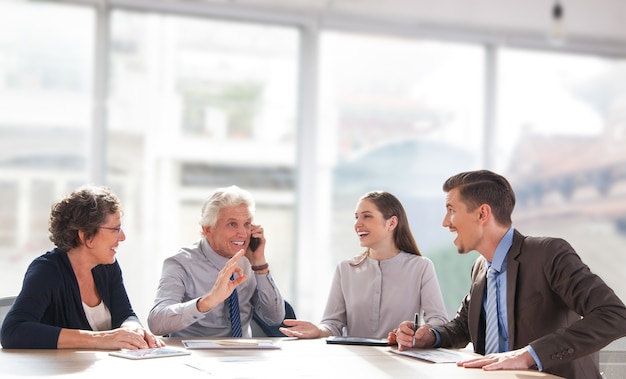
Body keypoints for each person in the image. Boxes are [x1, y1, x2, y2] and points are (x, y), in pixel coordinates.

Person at [390, 170, 626, 379]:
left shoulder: (547, 254)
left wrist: (530, 354)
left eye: (451, 210)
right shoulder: (481, 267)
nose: (445, 222)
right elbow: (464, 326)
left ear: (482, 214)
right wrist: (429, 336)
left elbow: (614, 315)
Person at [0, 185, 164, 349]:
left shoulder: (107, 267)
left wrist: (133, 330)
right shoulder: (47, 271)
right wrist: (101, 339)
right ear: (86, 236)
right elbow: (12, 331)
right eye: (116, 229)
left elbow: (125, 314)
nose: (122, 237)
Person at [280, 190, 449, 339]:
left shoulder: (420, 267)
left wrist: (417, 332)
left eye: (367, 216)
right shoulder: (345, 268)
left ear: (391, 223)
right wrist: (319, 330)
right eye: (356, 217)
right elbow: (333, 324)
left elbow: (439, 321)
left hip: (401, 359)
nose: (357, 224)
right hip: (356, 361)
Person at [147, 185, 285, 338]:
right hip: (194, 354)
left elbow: (275, 319)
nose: (243, 233)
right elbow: (156, 323)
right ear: (208, 229)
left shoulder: (250, 262)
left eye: (246, 224)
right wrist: (208, 301)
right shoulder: (181, 264)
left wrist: (259, 264)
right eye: (232, 224)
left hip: (243, 355)